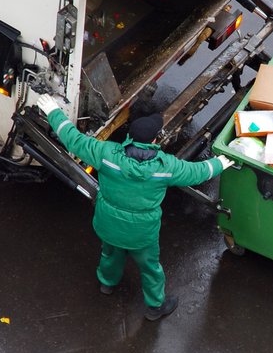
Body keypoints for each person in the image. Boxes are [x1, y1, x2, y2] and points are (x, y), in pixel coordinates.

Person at [36, 94, 234, 321]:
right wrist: (220, 163)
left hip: (108, 224)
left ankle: (107, 283)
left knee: (110, 253)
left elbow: (73, 140)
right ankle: (155, 307)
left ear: (130, 136)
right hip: (142, 234)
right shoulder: (165, 167)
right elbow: (197, 172)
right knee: (150, 268)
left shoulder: (106, 154)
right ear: (152, 141)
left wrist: (53, 112)